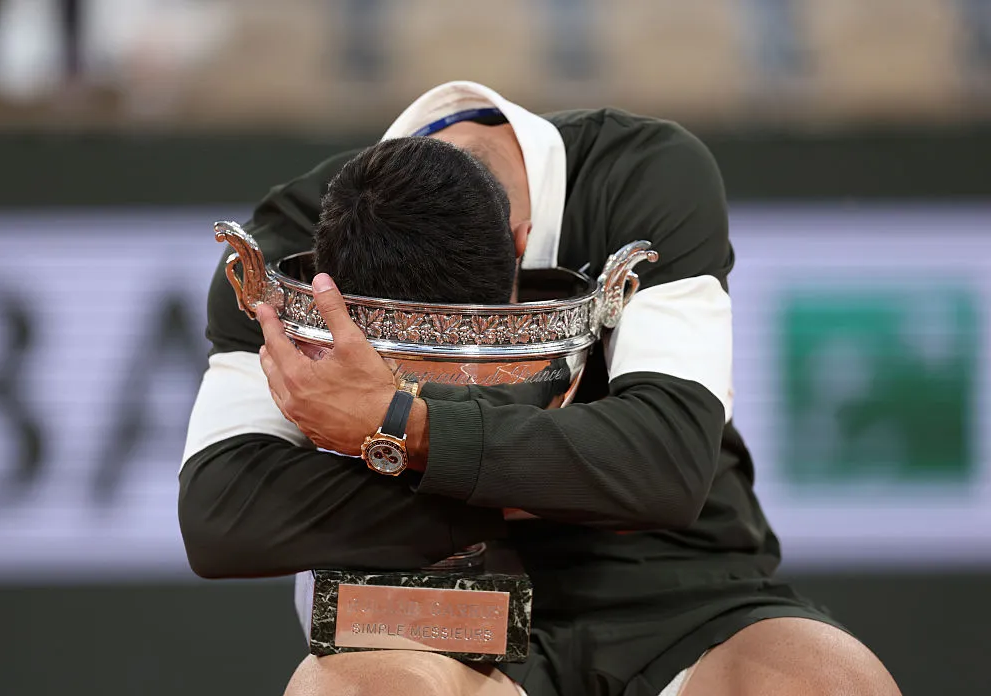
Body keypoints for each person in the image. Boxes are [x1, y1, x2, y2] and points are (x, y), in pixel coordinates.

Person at [179, 81, 902, 696]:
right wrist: (575, 480)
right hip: (424, 601)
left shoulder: (641, 176)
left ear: (520, 246)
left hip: (676, 587)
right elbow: (221, 518)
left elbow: (667, 467)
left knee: (831, 683)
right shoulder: (278, 253)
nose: (435, 385)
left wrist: (399, 424)